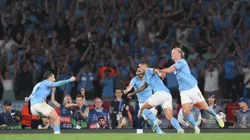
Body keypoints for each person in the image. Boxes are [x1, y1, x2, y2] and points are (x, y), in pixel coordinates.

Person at [159, 47, 224, 133]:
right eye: (171, 53)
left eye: (173, 52)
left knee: (205, 107)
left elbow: (170, 70)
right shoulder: (174, 65)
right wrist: (162, 72)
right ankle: (196, 128)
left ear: (179, 54)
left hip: (192, 88)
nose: (171, 54)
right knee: (186, 111)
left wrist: (159, 71)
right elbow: (169, 70)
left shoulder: (182, 62)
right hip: (183, 91)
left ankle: (217, 117)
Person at [127, 62, 184, 133]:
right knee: (169, 117)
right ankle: (179, 129)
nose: (139, 68)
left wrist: (159, 73)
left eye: (140, 66)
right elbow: (143, 87)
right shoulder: (147, 76)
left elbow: (155, 70)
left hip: (159, 94)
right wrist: (133, 93)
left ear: (144, 66)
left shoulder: (148, 70)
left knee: (143, 108)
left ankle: (155, 120)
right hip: (167, 95)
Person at [124, 68, 164, 134]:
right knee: (148, 120)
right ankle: (159, 131)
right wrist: (127, 90)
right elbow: (130, 86)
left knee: (145, 113)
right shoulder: (134, 79)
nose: (140, 72)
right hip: (141, 102)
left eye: (141, 71)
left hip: (150, 100)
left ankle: (155, 120)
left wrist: (159, 74)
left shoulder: (148, 78)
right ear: (136, 72)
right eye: (138, 71)